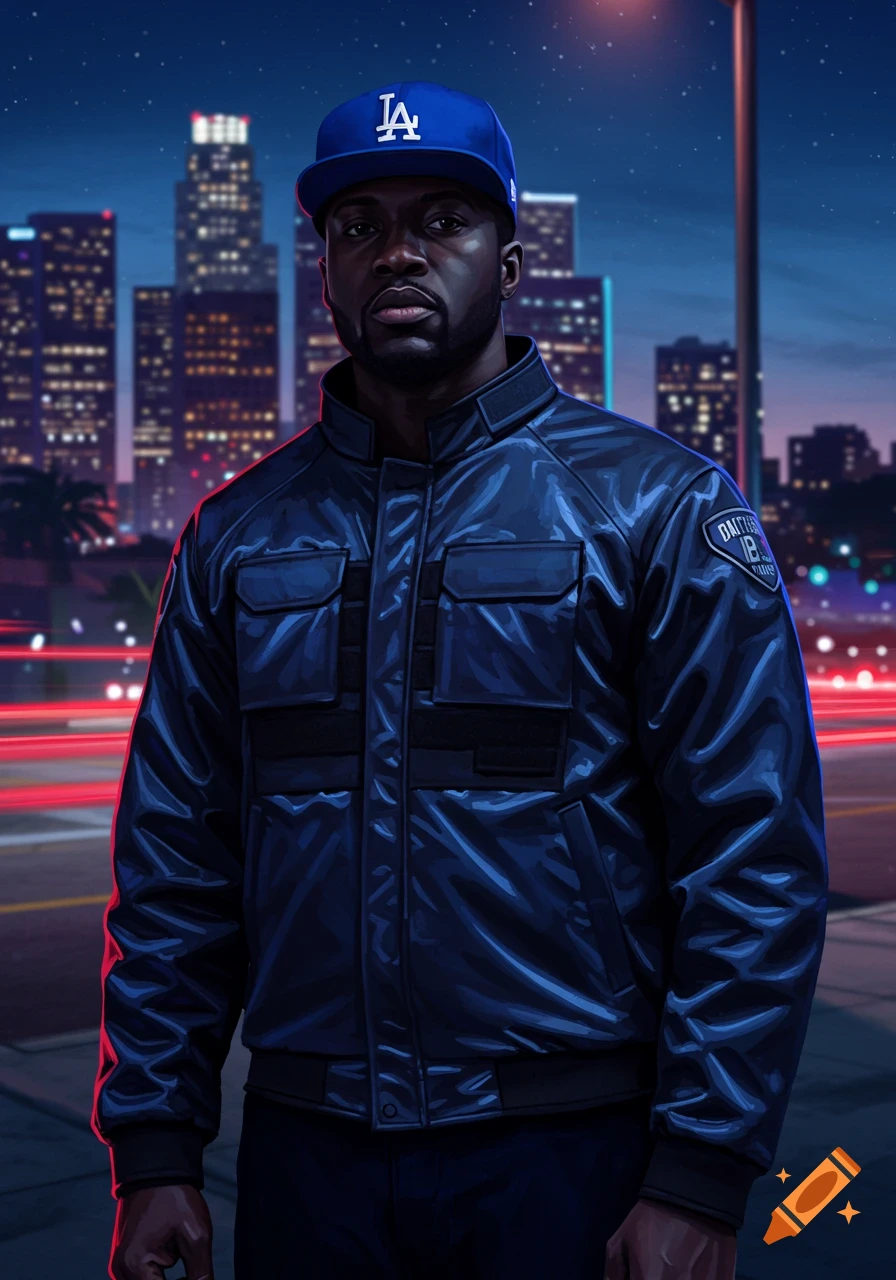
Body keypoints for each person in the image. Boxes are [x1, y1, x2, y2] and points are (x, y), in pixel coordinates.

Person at [95, 80, 828, 1280]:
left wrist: (701, 1167)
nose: (398, 251)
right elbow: (177, 861)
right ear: (322, 270)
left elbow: (750, 856)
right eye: (359, 226)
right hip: (306, 1156)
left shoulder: (659, 507)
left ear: (511, 254)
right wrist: (157, 1145)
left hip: (570, 1151)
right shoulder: (234, 537)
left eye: (442, 220)